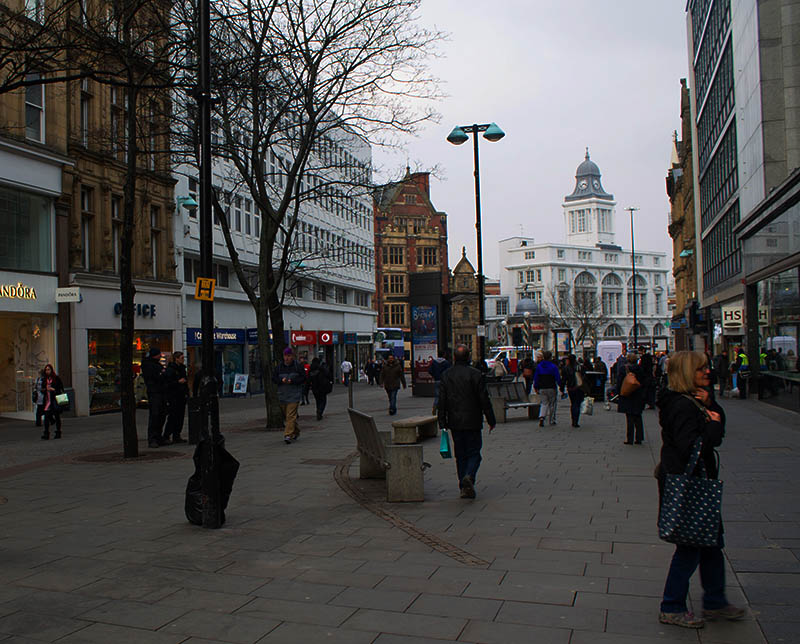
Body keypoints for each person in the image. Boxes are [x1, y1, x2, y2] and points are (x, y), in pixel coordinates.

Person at [656, 350, 746, 628]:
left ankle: (715, 602)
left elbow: (713, 423)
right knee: (691, 547)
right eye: (700, 369)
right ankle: (671, 605)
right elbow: (693, 446)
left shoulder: (694, 400)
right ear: (686, 373)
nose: (707, 372)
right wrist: (714, 425)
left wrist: (713, 408)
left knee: (711, 544)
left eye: (706, 368)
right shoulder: (682, 406)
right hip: (690, 483)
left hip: (696, 481)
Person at [437, 344, 496, 499]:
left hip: (455, 422)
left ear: (454, 357)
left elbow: (441, 401)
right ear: (469, 357)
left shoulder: (446, 375)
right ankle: (469, 476)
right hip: (473, 420)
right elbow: (484, 399)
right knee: (474, 453)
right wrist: (491, 419)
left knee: (460, 455)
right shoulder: (475, 374)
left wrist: (442, 421)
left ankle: (463, 485)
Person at [272, 347, 306, 444]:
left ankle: (288, 434)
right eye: (285, 356)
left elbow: (303, 378)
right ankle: (296, 430)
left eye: (289, 356)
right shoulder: (279, 367)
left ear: (292, 356)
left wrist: (293, 381)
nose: (287, 358)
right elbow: (274, 378)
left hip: (294, 395)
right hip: (282, 395)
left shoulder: (297, 366)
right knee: (287, 415)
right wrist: (280, 380)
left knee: (290, 415)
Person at [618, 352, 646, 445]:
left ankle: (630, 438)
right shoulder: (640, 369)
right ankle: (639, 438)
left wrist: (619, 392)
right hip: (638, 394)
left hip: (627, 394)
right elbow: (643, 381)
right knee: (638, 416)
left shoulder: (624, 369)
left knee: (629, 417)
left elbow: (619, 382)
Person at [142, 347, 167, 448]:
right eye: (159, 354)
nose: (160, 356)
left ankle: (158, 437)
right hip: (154, 392)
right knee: (155, 415)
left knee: (161, 415)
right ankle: (153, 438)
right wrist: (161, 374)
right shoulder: (150, 365)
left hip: (160, 392)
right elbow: (157, 376)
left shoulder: (156, 364)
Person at [163, 351, 189, 444]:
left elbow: (185, 382)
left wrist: (187, 393)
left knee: (180, 417)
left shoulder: (182, 368)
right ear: (176, 359)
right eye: (181, 358)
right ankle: (166, 435)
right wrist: (178, 382)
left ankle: (176, 435)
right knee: (173, 416)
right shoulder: (171, 369)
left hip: (181, 395)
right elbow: (167, 384)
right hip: (173, 396)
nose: (183, 359)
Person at [534, 351, 561, 427]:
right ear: (550, 357)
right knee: (552, 404)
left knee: (544, 403)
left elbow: (536, 377)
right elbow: (557, 377)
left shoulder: (539, 366)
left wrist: (536, 386)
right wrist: (560, 386)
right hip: (551, 386)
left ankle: (542, 417)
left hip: (542, 387)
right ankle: (552, 420)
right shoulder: (553, 366)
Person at [40, 364, 64, 440]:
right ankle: (46, 433)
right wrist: (45, 389)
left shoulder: (56, 378)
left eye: (48, 369)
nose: (47, 371)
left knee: (57, 417)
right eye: (46, 370)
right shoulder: (44, 379)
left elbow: (61, 389)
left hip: (54, 400)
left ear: (51, 370)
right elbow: (42, 389)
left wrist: (53, 390)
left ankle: (58, 432)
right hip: (47, 401)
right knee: (46, 416)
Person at [563, 354, 585, 428]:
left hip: (570, 388)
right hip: (579, 387)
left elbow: (564, 379)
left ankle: (573, 419)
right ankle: (576, 420)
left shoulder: (566, 368)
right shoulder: (580, 367)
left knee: (573, 403)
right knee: (577, 403)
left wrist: (562, 388)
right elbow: (584, 377)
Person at [429, 350, 452, 414]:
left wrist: (434, 375)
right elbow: (449, 371)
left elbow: (430, 371)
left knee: (437, 396)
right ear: (444, 355)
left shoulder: (434, 362)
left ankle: (435, 406)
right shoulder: (446, 363)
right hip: (444, 381)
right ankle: (444, 409)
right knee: (445, 395)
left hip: (437, 380)